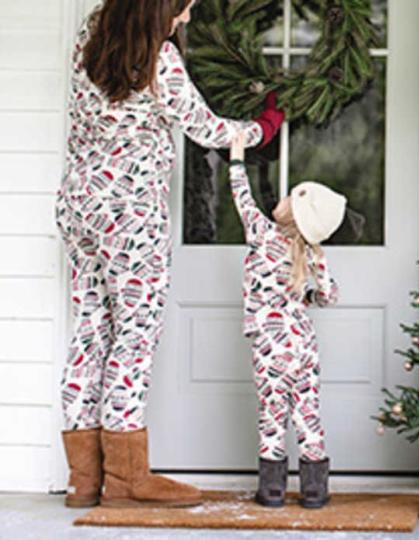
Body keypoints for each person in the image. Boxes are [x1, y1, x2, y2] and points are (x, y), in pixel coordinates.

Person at [55, 0, 285, 508]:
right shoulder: (158, 61)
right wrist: (264, 127)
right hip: (131, 213)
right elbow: (208, 129)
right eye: (183, 9)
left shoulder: (90, 42)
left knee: (91, 326)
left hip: (78, 203)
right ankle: (127, 478)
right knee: (135, 333)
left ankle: (83, 481)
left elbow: (78, 127)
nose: (186, 19)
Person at [228, 134, 343, 508]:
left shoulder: (262, 235)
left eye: (291, 197)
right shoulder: (314, 255)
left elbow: (241, 197)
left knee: (272, 413)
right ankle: (314, 491)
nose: (283, 198)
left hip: (270, 345)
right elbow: (329, 296)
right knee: (307, 411)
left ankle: (273, 490)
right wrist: (307, 295)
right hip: (303, 344)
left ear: (293, 214)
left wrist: (236, 157)